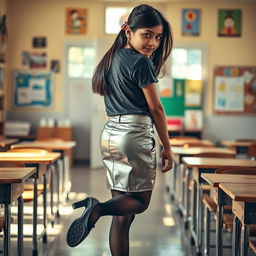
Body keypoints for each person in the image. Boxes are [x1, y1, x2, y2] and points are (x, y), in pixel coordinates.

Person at [66, 4, 174, 256]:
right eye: (146, 34)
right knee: (140, 203)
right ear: (128, 31)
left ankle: (103, 213)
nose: (153, 43)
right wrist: (167, 146)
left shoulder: (111, 58)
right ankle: (97, 209)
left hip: (111, 134)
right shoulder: (140, 63)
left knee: (124, 214)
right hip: (134, 135)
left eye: (158, 37)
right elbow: (156, 109)